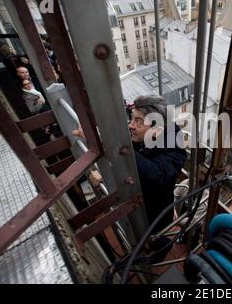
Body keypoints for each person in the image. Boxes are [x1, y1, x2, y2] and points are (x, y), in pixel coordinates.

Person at [74, 95, 187, 233]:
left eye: (138, 121)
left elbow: (155, 175)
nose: (131, 125)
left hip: (154, 218)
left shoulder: (175, 151)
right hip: (135, 203)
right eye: (132, 118)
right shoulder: (144, 134)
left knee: (152, 247)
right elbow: (124, 141)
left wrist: (109, 141)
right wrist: (99, 133)